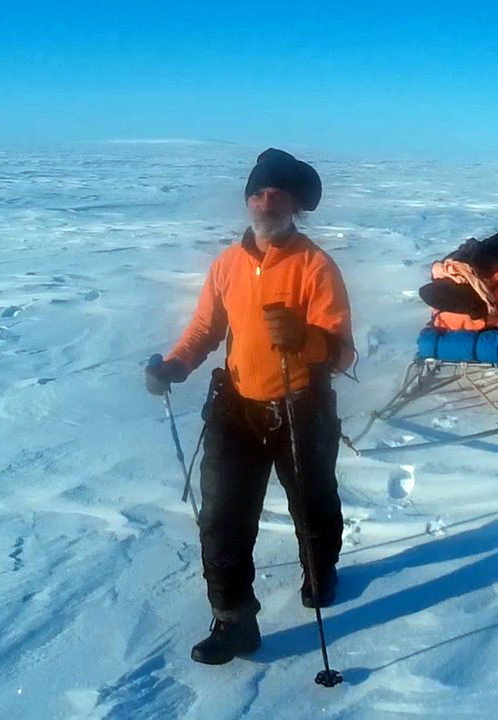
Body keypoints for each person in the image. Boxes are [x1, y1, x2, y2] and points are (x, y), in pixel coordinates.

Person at [144, 148, 354, 665]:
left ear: (293, 205)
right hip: (237, 409)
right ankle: (234, 620)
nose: (265, 202)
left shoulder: (315, 266)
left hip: (301, 409)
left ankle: (320, 569)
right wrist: (175, 365)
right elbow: (205, 328)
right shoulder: (227, 265)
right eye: (257, 193)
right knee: (221, 519)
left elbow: (343, 352)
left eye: (276, 194)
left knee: (313, 506)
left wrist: (306, 339)